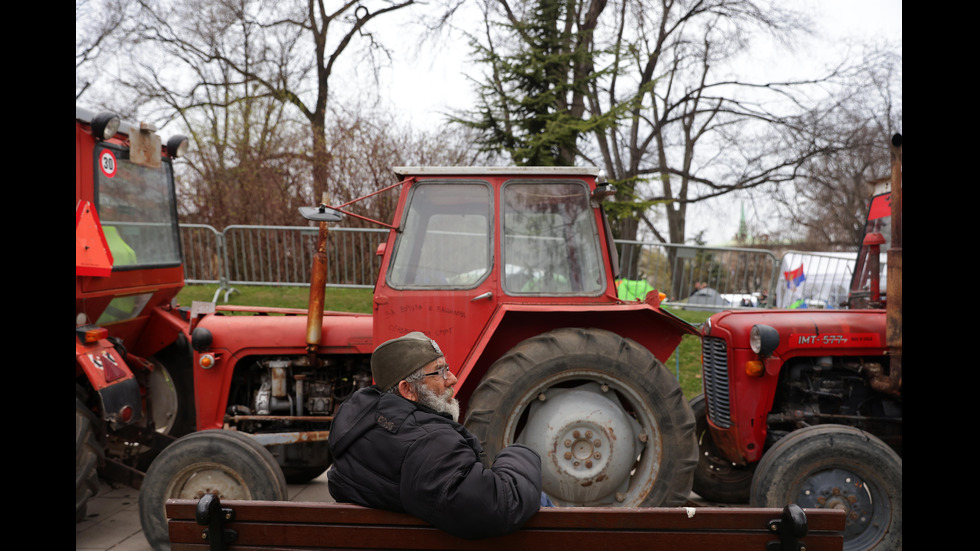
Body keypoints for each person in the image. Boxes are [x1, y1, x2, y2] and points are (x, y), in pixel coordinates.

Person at [327, 331, 544, 540]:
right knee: (539, 501)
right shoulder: (428, 443)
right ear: (408, 390)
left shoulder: (362, 427)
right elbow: (498, 506)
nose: (453, 379)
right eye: (439, 372)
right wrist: (520, 453)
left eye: (447, 368)